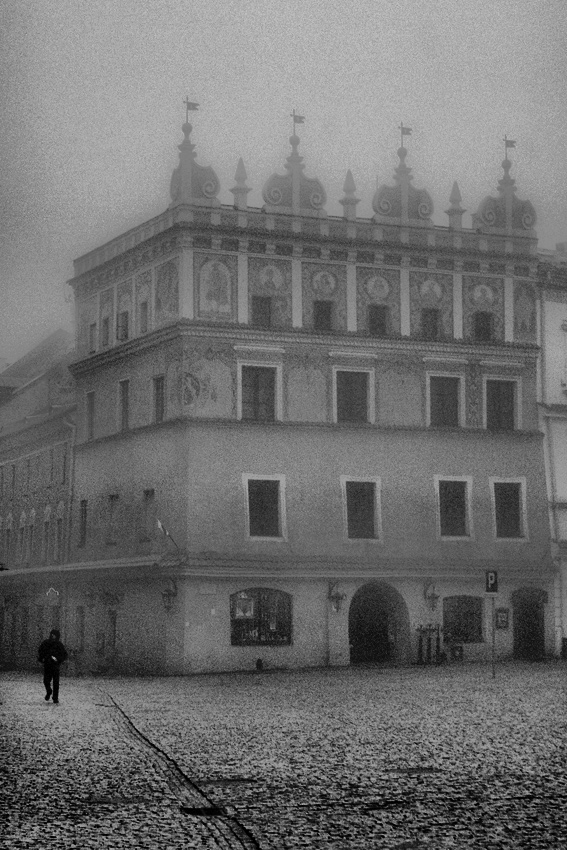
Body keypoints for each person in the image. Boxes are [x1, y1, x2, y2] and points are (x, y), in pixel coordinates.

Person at [37, 629, 68, 704]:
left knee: (56, 682)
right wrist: (42, 659)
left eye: (54, 634)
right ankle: (49, 691)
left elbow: (64, 655)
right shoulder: (46, 643)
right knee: (46, 681)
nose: (52, 636)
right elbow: (40, 651)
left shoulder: (59, 645)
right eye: (52, 634)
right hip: (47, 664)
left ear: (57, 636)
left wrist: (57, 659)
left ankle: (55, 697)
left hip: (55, 665)